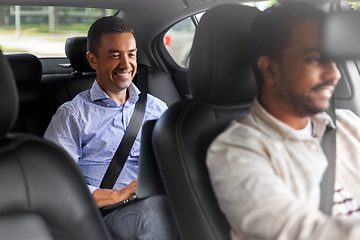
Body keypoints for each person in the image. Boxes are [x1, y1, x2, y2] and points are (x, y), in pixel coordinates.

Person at [206, 3, 360, 240]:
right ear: (270, 70)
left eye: (334, 60)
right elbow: (302, 233)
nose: (334, 74)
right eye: (315, 59)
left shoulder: (347, 123)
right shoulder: (236, 152)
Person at [44, 16, 177, 240]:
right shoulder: (73, 115)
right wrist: (116, 195)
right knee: (155, 211)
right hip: (104, 215)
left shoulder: (157, 107)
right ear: (93, 60)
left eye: (131, 54)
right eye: (115, 55)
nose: (126, 64)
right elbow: (51, 183)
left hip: (158, 200)